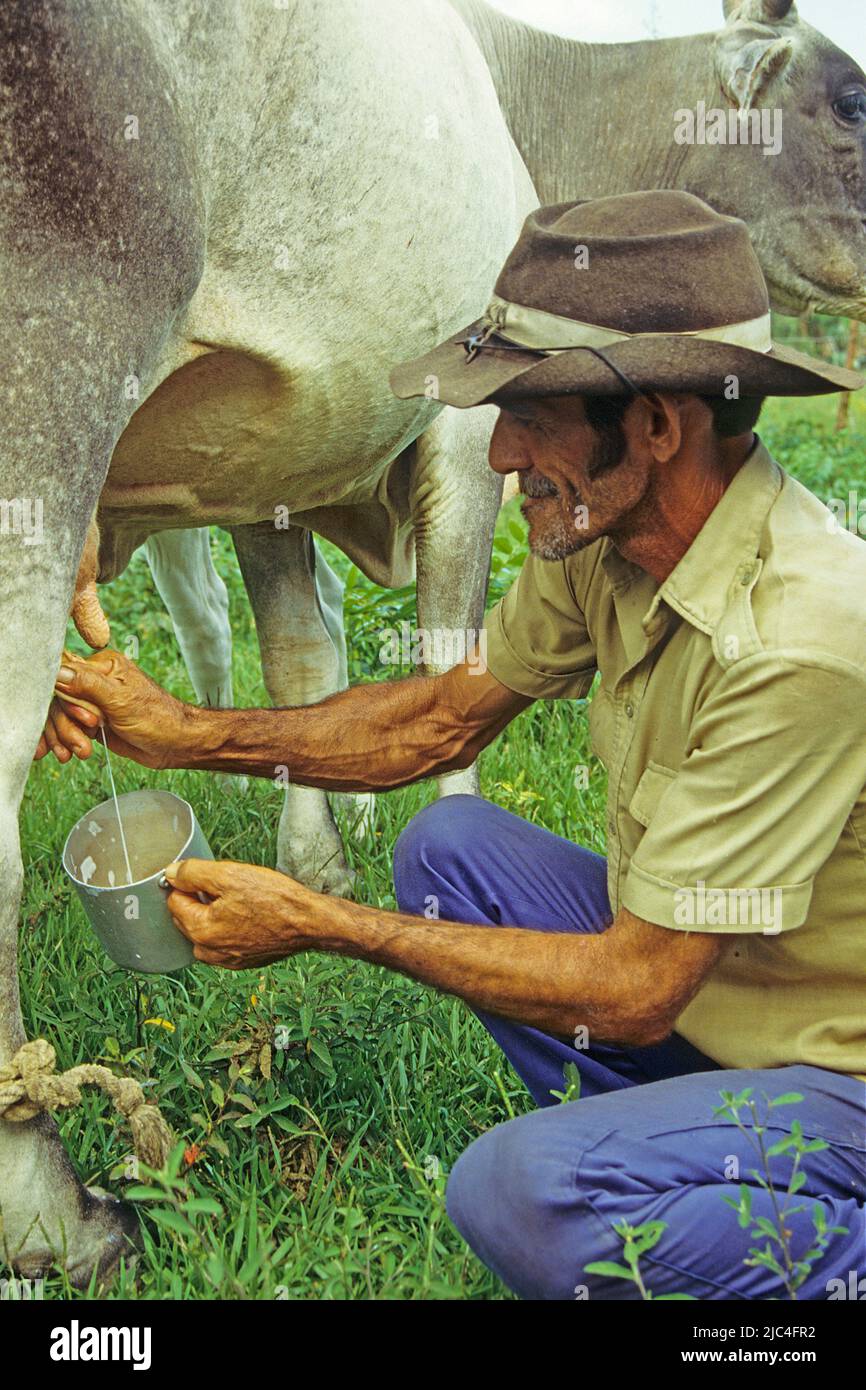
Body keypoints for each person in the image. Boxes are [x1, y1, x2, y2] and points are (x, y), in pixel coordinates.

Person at [40, 192, 866, 1300]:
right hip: (708, 1006)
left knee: (510, 1193)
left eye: (528, 411)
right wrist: (182, 734)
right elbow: (437, 721)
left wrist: (321, 924)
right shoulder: (606, 535)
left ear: (659, 425)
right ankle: (656, 1152)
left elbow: (632, 991)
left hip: (830, 1075)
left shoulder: (802, 639)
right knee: (450, 846)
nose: (502, 450)